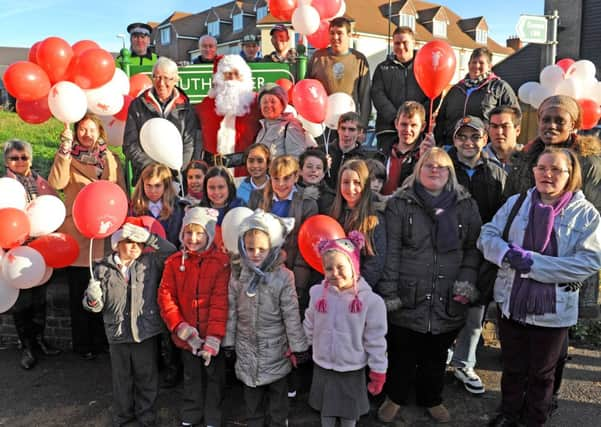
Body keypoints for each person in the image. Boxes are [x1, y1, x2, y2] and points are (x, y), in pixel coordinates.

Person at [478, 148, 601, 427]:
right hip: (512, 300)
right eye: (542, 167)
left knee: (542, 374)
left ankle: (534, 419)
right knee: (513, 367)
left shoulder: (585, 214)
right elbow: (488, 234)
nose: (547, 174)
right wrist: (505, 254)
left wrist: (534, 264)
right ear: (533, 171)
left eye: (556, 169)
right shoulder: (516, 203)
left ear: (571, 175)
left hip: (553, 310)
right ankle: (509, 414)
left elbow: (588, 262)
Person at [377, 148, 482, 424]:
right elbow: (391, 251)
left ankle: (431, 398)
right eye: (429, 166)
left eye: (442, 167)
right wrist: (388, 291)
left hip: (448, 292)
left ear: (451, 173)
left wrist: (467, 282)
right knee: (402, 351)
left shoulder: (466, 205)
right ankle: (395, 396)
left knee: (436, 353)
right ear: (418, 170)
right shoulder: (401, 203)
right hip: (407, 291)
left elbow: (473, 248)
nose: (435, 170)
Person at [83, 220, 176, 427]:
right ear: (117, 244)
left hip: (144, 332)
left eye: (140, 242)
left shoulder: (149, 262)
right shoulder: (102, 269)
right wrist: (92, 298)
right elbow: (95, 307)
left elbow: (171, 252)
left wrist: (150, 238)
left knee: (146, 376)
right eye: (129, 241)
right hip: (117, 333)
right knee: (121, 378)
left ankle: (146, 415)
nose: (136, 246)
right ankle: (123, 415)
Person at [48, 113, 126, 360]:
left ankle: (101, 341)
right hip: (78, 234)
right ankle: (83, 345)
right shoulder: (68, 158)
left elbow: (121, 191)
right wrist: (63, 151)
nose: (87, 134)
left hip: (105, 234)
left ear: (100, 133)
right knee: (79, 292)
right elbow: (56, 182)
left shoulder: (111, 159)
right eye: (82, 130)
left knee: (103, 292)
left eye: (91, 129)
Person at [223, 210, 308, 427]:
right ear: (242, 247)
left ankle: (279, 423)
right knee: (252, 401)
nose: (256, 254)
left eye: (262, 248)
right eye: (250, 249)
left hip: (275, 350)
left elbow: (290, 314)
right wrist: (229, 342)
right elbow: (232, 311)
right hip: (247, 349)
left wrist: (298, 347)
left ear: (273, 247)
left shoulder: (283, 277)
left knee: (278, 400)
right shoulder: (238, 275)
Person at [446, 116, 506, 395]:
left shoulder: (497, 173)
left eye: (475, 137)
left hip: (482, 252)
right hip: (446, 248)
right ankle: (443, 351)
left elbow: (504, 214)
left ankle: (464, 362)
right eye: (462, 136)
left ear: (484, 139)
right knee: (444, 302)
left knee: (475, 311)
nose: (468, 142)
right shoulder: (443, 166)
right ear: (454, 139)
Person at [304, 231, 387, 427]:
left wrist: (378, 370)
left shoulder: (370, 302)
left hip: (351, 367)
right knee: (327, 409)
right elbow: (309, 323)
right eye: (329, 268)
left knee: (349, 411)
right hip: (323, 363)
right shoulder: (318, 294)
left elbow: (375, 339)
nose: (335, 273)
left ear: (354, 266)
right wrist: (299, 347)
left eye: (341, 267)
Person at [158, 207, 230, 427]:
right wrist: (180, 327)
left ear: (208, 235)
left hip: (211, 336)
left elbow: (220, 300)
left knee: (214, 378)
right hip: (188, 335)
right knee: (191, 377)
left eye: (199, 233)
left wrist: (214, 337)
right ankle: (191, 411)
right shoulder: (173, 263)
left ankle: (213, 414)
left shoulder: (220, 262)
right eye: (189, 233)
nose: (194, 238)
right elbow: (166, 297)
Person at [3, 139, 61, 370]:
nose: (19, 162)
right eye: (14, 158)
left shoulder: (40, 181)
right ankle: (26, 345)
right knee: (21, 301)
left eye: (23, 157)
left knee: (40, 298)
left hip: (39, 247)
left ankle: (40, 339)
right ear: (6, 161)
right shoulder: (5, 185)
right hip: (14, 248)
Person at [248, 155, 319, 312]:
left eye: (286, 178)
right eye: (276, 178)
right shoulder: (257, 197)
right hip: (263, 267)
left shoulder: (307, 203)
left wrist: (299, 283)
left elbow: (306, 244)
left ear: (295, 176)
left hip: (292, 268)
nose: (280, 184)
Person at [124, 57, 198, 184]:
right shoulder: (137, 105)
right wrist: (153, 170)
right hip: (146, 178)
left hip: (175, 179)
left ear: (176, 80)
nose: (161, 83)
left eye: (167, 78)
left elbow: (189, 144)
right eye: (157, 77)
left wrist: (174, 171)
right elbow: (130, 144)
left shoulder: (186, 107)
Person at [435, 47, 520, 147]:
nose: (476, 66)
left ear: (490, 66)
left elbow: (514, 118)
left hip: (483, 148)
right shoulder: (456, 89)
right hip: (452, 147)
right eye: (473, 62)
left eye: (481, 63)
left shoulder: (500, 88)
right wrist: (439, 143)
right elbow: (441, 120)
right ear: (468, 64)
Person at [195, 54, 262, 177]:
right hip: (213, 175)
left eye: (236, 73)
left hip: (246, 174)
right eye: (227, 74)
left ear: (244, 77)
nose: (232, 78)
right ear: (219, 77)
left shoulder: (257, 104)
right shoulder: (205, 105)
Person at [371, 26, 430, 154]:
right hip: (387, 129)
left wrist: (416, 119)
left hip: (416, 131)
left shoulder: (426, 67)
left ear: (413, 43)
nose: (401, 47)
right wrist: (396, 119)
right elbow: (377, 95)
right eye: (397, 43)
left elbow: (433, 97)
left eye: (405, 42)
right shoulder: (382, 68)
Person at [329, 159, 386, 288]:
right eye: (346, 182)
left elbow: (375, 264)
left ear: (365, 185)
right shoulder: (333, 213)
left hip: (359, 291)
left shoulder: (374, 219)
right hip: (332, 287)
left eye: (357, 183)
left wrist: (353, 288)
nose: (351, 188)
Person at [307, 17, 371, 127]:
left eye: (339, 33)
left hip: (349, 127)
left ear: (349, 35)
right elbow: (308, 91)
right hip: (322, 126)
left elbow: (365, 96)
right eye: (332, 33)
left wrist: (363, 126)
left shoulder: (358, 60)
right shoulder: (318, 58)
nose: (335, 37)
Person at [381, 101, 435, 196]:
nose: (408, 130)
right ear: (396, 123)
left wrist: (427, 158)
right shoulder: (382, 153)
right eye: (404, 124)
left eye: (413, 125)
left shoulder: (424, 155)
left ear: (423, 126)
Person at [130, 163, 186, 247]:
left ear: (166, 185)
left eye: (157, 186)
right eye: (148, 185)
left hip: (170, 256)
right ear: (142, 185)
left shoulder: (178, 208)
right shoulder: (133, 208)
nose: (153, 191)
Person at [254, 83, 310, 159]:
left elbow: (296, 158)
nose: (268, 105)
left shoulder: (290, 127)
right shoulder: (262, 129)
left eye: (273, 102)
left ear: (282, 105)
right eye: (264, 102)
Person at [324, 111, 367, 189]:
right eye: (343, 128)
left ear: (360, 132)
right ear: (338, 129)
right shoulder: (323, 151)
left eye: (351, 129)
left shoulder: (364, 159)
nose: (346, 134)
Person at [483, 106, 523, 171]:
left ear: (517, 130)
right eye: (494, 126)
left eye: (505, 126)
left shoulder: (530, 160)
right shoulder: (477, 159)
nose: (499, 132)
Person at [298, 148, 335, 215]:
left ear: (323, 173)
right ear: (300, 170)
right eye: (309, 166)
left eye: (318, 168)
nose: (314, 170)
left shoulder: (330, 198)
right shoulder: (291, 191)